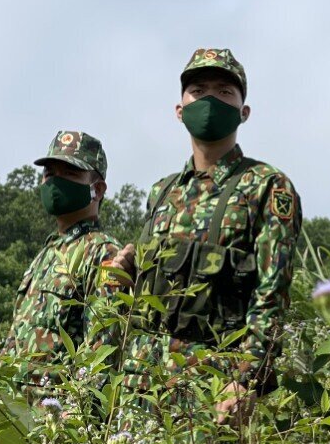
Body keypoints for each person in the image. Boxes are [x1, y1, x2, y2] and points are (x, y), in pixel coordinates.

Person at [108, 49, 302, 421]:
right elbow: (148, 295)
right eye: (198, 90)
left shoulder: (266, 186)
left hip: (215, 385)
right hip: (142, 382)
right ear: (179, 110)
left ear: (244, 112)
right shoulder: (162, 192)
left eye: (224, 92)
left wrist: (247, 379)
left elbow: (271, 292)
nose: (210, 99)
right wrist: (126, 277)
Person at [1, 131, 121, 393]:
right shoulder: (47, 253)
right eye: (50, 174)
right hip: (15, 412)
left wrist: (77, 417)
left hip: (56, 417)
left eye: (70, 174)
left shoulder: (104, 254)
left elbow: (103, 348)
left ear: (97, 189)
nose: (55, 182)